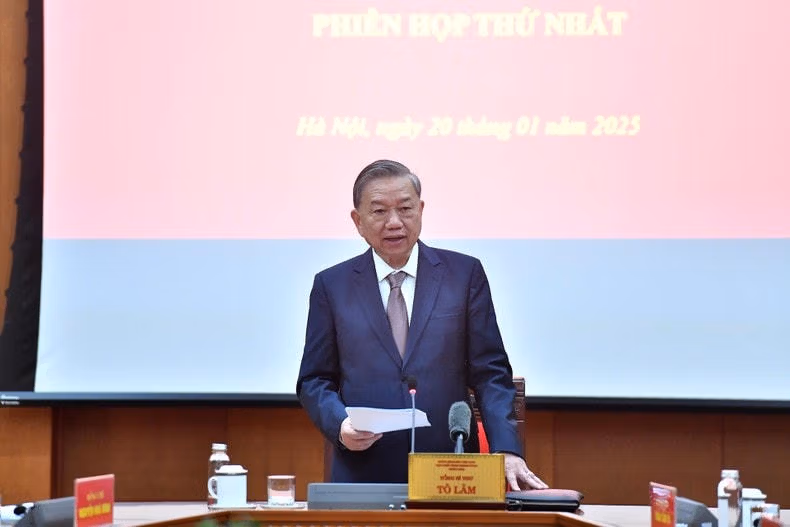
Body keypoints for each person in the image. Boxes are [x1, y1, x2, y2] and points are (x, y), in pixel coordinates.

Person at [296, 159, 547, 490]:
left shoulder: (463, 275)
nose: (394, 222)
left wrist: (506, 449)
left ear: (421, 210)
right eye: (379, 211)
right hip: (364, 472)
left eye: (405, 208)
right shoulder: (332, 285)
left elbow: (491, 374)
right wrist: (340, 424)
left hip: (451, 471)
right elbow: (314, 379)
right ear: (358, 221)